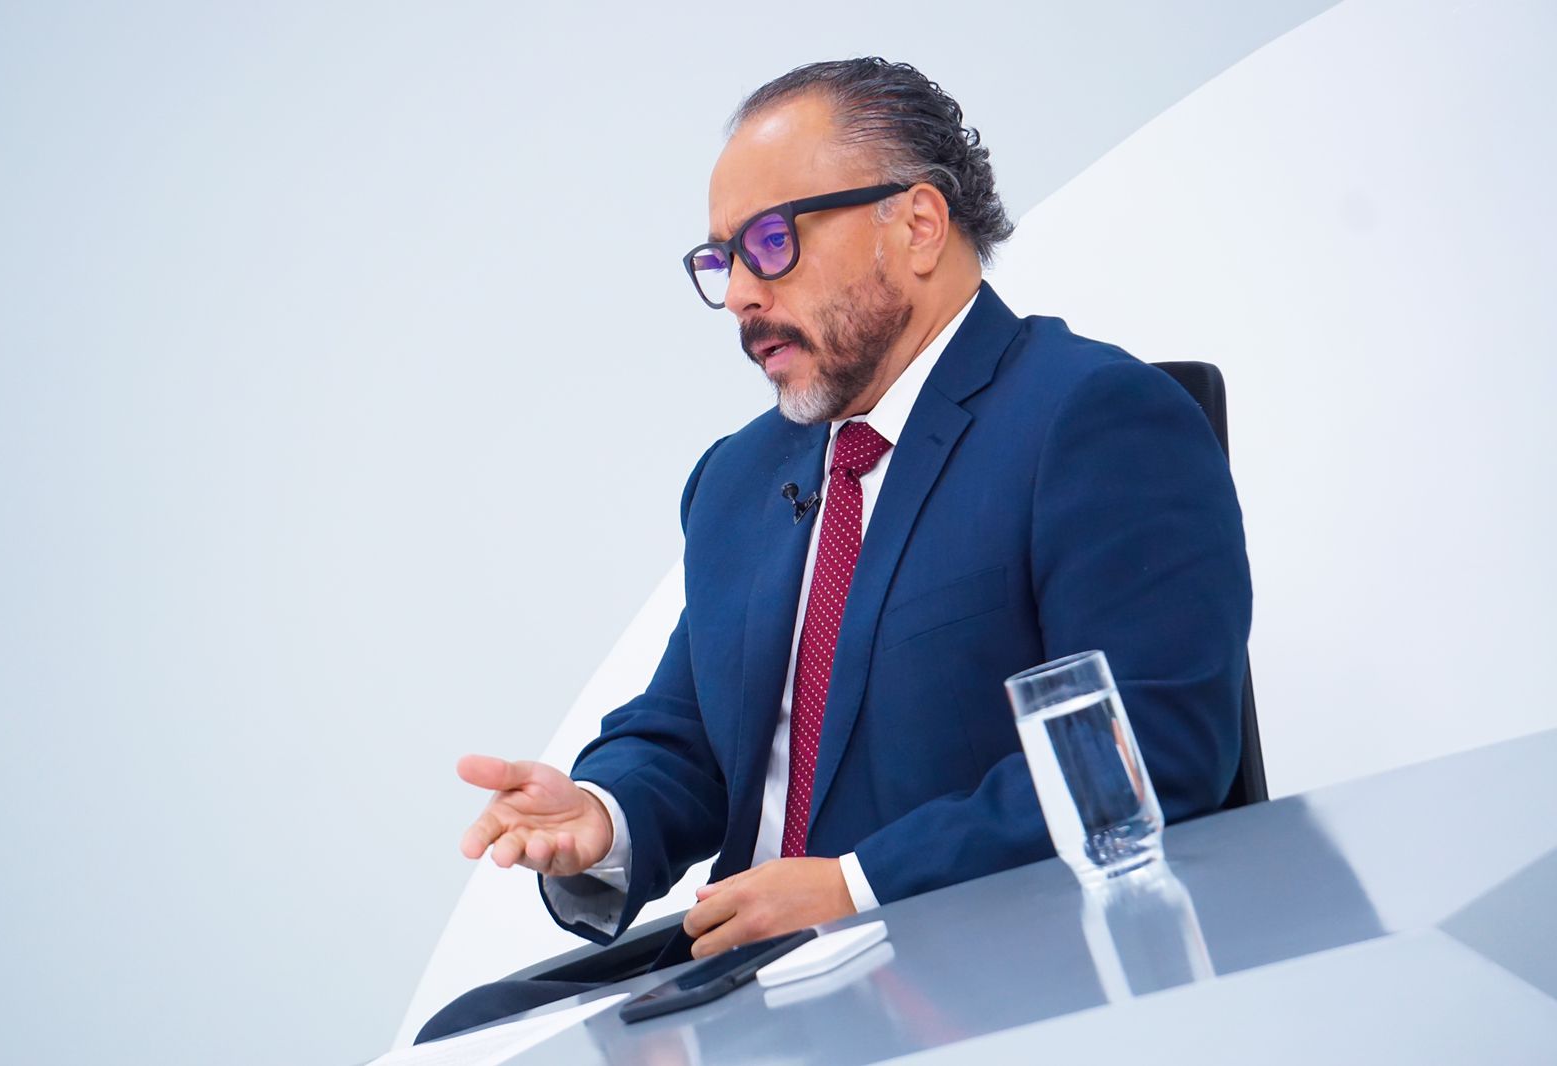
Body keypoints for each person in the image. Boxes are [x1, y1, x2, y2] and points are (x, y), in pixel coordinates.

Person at [419, 57, 1251, 1041]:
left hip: (983, 990)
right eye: (722, 259)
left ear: (917, 225)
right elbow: (689, 736)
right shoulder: (740, 475)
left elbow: (1152, 750)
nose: (739, 293)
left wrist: (855, 888)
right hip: (749, 990)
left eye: (771, 242)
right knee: (460, 1036)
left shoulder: (1090, 418)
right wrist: (601, 819)